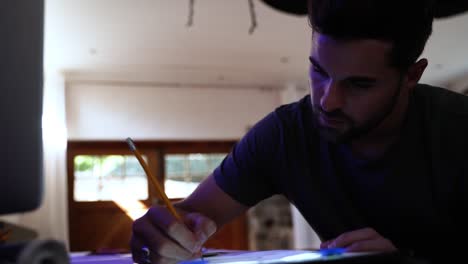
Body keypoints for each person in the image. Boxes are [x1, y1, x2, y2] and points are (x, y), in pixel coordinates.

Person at [131, 0, 468, 263]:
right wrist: (163, 237)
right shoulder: (283, 135)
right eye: (318, 70)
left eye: (359, 84)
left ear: (412, 75)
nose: (327, 100)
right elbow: (192, 216)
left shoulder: (457, 131)